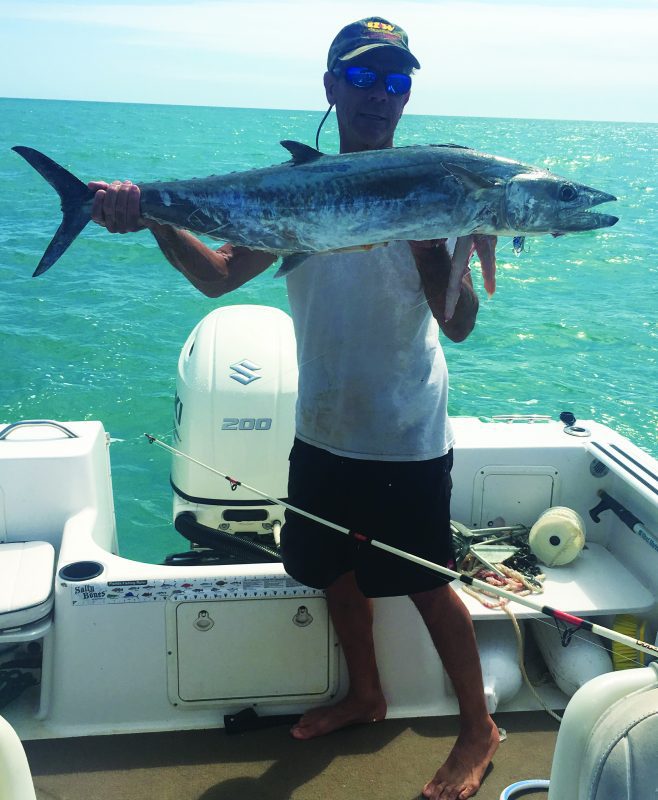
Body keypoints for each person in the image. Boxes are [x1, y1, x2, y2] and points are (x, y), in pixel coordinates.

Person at [89, 17, 499, 800]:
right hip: (322, 428)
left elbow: (461, 325)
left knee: (426, 580)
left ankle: (478, 727)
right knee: (331, 571)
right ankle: (366, 695)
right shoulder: (298, 196)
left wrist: (426, 241)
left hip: (405, 431)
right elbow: (215, 279)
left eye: (398, 81)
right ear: (331, 86)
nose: (382, 96)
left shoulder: (439, 191)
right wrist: (153, 218)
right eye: (365, 77)